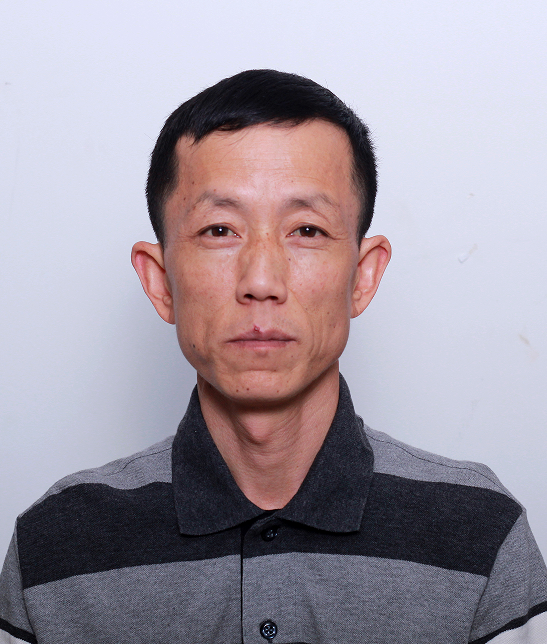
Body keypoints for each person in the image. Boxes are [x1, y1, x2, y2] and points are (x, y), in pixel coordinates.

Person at [1, 70, 546, 644]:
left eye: (307, 229)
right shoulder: (54, 548)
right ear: (160, 282)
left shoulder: (481, 537)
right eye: (219, 230)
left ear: (363, 276)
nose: (261, 281)